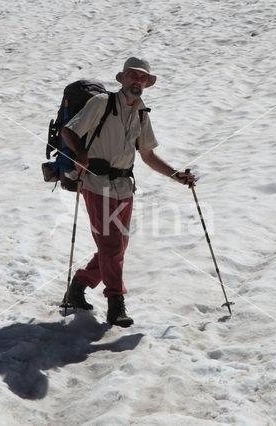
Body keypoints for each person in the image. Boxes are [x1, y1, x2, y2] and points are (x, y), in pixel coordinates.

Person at [61, 57, 196, 327]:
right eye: (133, 75)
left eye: (143, 78)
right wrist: (80, 153)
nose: (138, 81)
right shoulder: (101, 103)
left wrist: (175, 175)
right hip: (96, 184)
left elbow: (147, 154)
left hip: (124, 187)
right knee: (111, 245)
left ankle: (77, 288)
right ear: (122, 78)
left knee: (116, 247)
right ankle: (116, 304)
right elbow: (69, 131)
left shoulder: (142, 112)